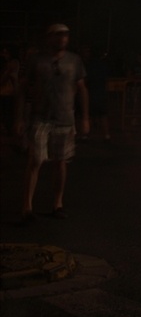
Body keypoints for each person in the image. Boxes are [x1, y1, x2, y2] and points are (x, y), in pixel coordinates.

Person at [15, 24, 89, 224]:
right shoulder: (37, 60)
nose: (62, 39)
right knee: (35, 160)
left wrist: (85, 118)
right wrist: (19, 117)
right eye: (58, 35)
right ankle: (27, 207)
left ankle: (58, 204)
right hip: (41, 117)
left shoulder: (74, 60)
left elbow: (82, 89)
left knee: (61, 162)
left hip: (65, 119)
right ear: (49, 38)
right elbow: (22, 88)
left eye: (65, 35)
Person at [79, 44, 111, 142]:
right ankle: (106, 135)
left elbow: (86, 78)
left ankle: (86, 134)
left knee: (90, 114)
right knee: (102, 114)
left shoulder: (89, 65)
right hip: (100, 91)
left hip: (92, 91)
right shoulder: (103, 64)